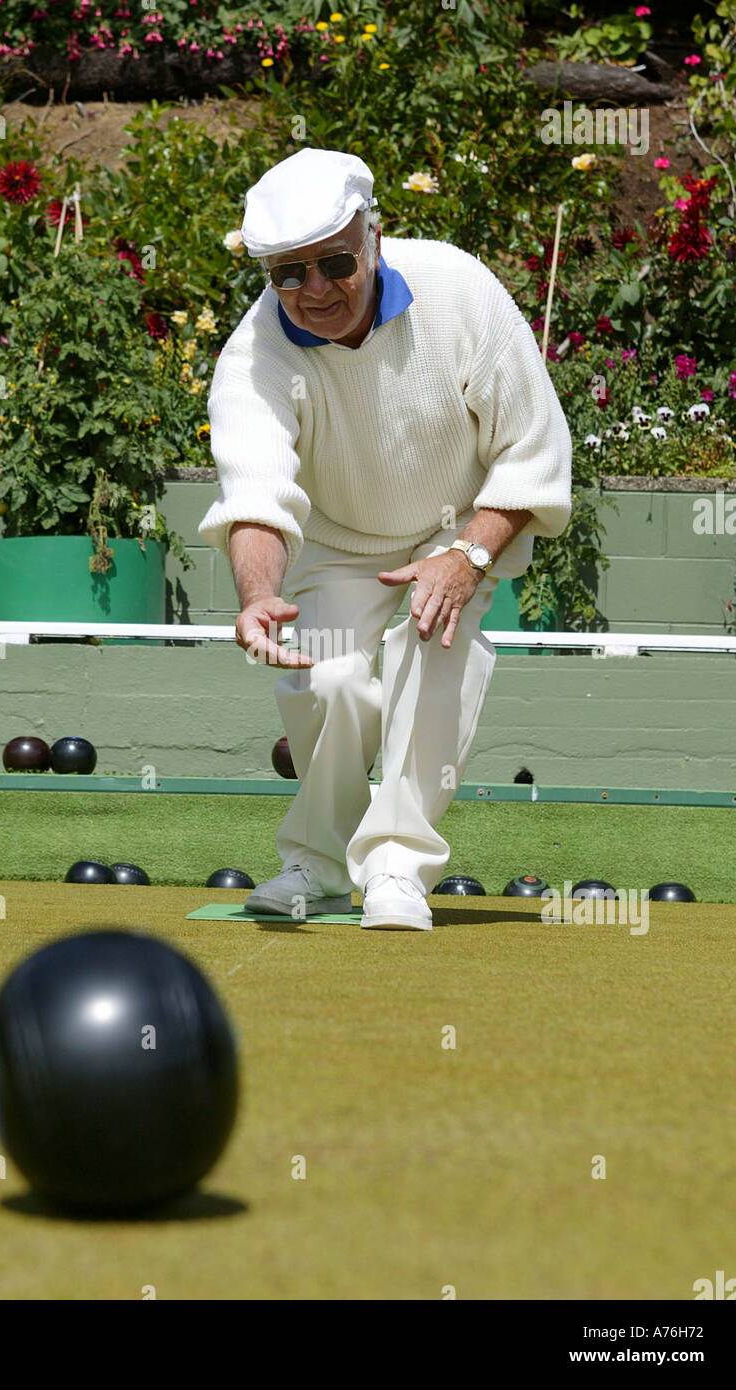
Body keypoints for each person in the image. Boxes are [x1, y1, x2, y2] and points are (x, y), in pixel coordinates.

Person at [198, 148, 572, 930]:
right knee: (331, 680)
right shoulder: (252, 356)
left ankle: (397, 867)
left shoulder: (457, 289)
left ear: (373, 236)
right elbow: (256, 493)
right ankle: (317, 864)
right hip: (336, 543)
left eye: (334, 263)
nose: (314, 289)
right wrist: (258, 594)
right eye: (288, 273)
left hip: (453, 531)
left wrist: (468, 555)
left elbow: (531, 447)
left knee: (433, 648)